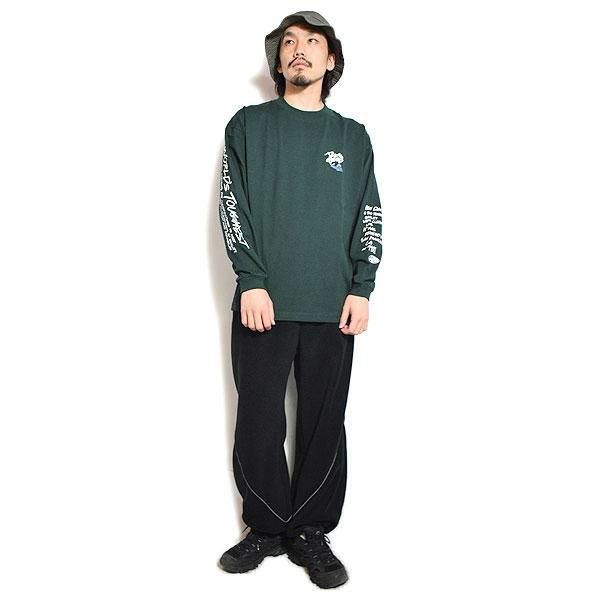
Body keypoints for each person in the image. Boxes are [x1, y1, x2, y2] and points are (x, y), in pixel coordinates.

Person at [217, 10, 383, 589]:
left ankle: (311, 530)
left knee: (323, 421)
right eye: (289, 42)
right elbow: (232, 203)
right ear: (278, 57)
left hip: (332, 306)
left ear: (330, 60)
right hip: (263, 302)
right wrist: (251, 279)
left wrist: (362, 287)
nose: (299, 50)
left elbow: (368, 211)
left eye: (313, 42)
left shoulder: (352, 136)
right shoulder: (248, 125)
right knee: (258, 419)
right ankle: (264, 527)